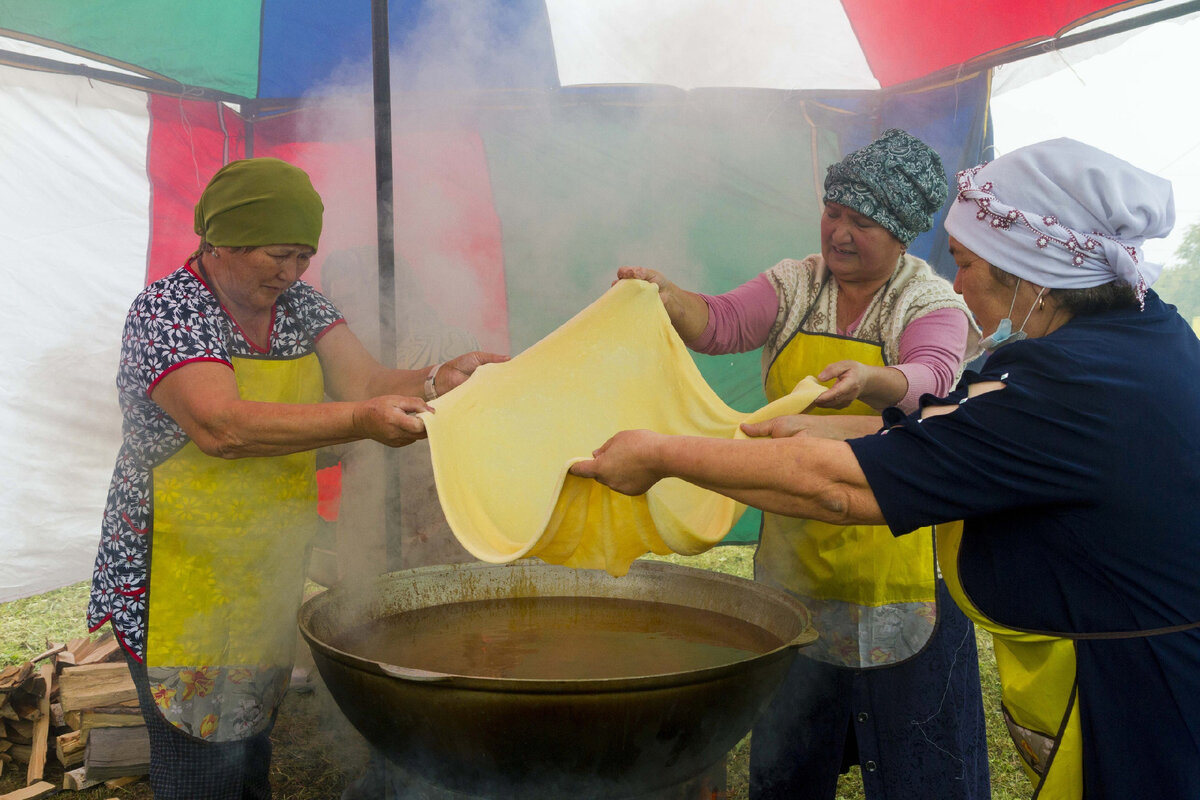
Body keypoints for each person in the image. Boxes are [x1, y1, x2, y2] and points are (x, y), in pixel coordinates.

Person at [573, 138, 1199, 799]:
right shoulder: (1142, 336)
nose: (958, 282)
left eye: (966, 263)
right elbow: (963, 423)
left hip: (1144, 694)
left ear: (1029, 268)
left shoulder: (1061, 381)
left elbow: (847, 482)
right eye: (832, 212)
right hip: (1135, 663)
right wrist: (821, 426)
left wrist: (660, 455)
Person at [84, 157, 504, 800]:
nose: (292, 272)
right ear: (221, 241)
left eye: (304, 257)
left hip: (262, 560)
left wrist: (433, 380)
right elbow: (221, 426)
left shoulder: (300, 305)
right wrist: (362, 421)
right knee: (201, 766)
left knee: (249, 745)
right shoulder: (168, 311)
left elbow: (364, 382)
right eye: (278, 255)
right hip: (175, 573)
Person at [617, 128, 988, 799]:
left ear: (902, 233)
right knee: (790, 766)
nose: (839, 233)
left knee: (918, 771)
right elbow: (722, 322)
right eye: (833, 212)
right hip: (795, 563)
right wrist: (667, 297)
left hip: (898, 574)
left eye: (863, 222)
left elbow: (933, 379)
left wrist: (871, 383)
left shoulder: (927, 300)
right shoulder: (796, 282)